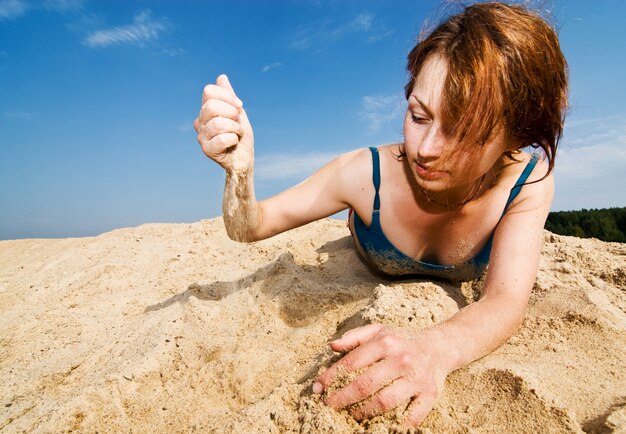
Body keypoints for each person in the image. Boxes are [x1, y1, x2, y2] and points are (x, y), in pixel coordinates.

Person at [193, 1, 568, 427]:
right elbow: (250, 226)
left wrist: (435, 348)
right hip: (367, 227)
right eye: (418, 115)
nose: (425, 149)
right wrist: (239, 173)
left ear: (518, 133)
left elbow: (505, 299)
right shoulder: (363, 174)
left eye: (462, 131)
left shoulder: (526, 182)